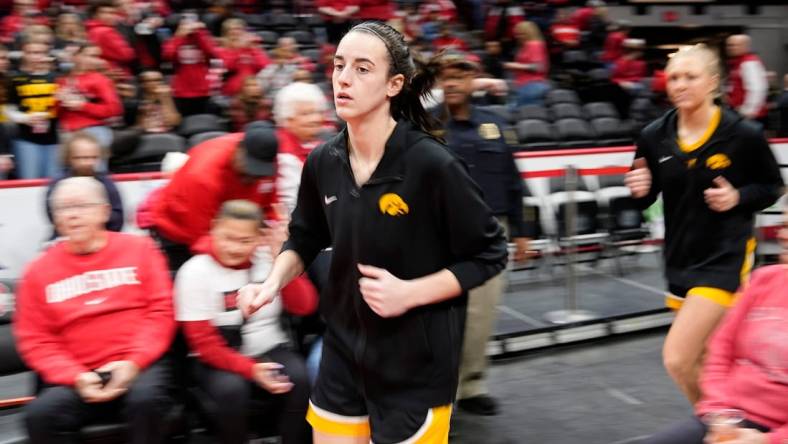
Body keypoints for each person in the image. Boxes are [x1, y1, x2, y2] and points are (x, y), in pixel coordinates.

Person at [238, 21, 508, 444]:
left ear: (393, 84)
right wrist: (272, 281)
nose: (343, 79)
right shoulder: (322, 161)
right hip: (342, 354)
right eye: (339, 65)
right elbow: (304, 237)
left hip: (414, 366)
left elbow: (490, 254)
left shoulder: (432, 166)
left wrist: (411, 293)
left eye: (363, 69)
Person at [624, 44, 784, 404]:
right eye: (674, 77)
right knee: (706, 359)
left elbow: (773, 187)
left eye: (690, 76)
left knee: (677, 358)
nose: (680, 84)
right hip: (680, 259)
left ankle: (718, 425)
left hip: (724, 258)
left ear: (712, 82)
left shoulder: (742, 135)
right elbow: (645, 197)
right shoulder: (653, 136)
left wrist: (737, 198)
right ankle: (734, 425)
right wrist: (640, 190)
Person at [14, 176, 176, 444]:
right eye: (63, 209)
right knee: (40, 415)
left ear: (103, 211)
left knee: (146, 401)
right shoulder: (36, 272)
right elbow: (36, 340)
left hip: (139, 365)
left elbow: (161, 312)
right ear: (55, 219)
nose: (73, 215)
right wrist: (75, 376)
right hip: (78, 376)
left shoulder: (141, 249)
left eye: (81, 205)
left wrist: (133, 363)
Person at [435, 54, 533, 417]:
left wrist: (524, 232)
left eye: (460, 76)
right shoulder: (426, 126)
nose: (452, 83)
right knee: (440, 313)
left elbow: (513, 180)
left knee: (481, 313)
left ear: (474, 79)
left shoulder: (495, 123)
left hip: (491, 230)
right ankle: (439, 387)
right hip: (441, 231)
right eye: (445, 77)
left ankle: (472, 384)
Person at [642, 207, 788, 444]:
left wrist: (766, 441)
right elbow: (721, 351)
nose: (783, 235)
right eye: (784, 226)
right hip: (734, 419)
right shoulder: (764, 280)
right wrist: (720, 414)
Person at [175, 199, 313, 444]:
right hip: (216, 355)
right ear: (214, 228)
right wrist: (250, 370)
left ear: (259, 238)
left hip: (269, 346)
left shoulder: (269, 260)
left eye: (245, 241)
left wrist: (283, 260)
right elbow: (204, 344)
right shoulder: (194, 271)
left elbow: (305, 306)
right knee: (233, 390)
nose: (234, 248)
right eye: (228, 237)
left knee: (301, 379)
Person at [150, 123, 279, 271]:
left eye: (259, 173)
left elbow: (270, 210)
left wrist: (272, 239)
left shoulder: (267, 157)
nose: (253, 177)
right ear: (239, 150)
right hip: (179, 233)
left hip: (236, 233)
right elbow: (200, 238)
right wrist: (247, 259)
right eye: (249, 170)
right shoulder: (202, 176)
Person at [45, 131, 123, 234]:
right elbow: (53, 215)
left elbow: (118, 217)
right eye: (82, 158)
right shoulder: (58, 184)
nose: (88, 163)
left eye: (93, 158)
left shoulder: (106, 182)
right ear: (69, 158)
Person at [6, 39, 59, 179]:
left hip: (54, 139)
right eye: (31, 53)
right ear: (24, 54)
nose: (36, 57)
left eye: (41, 53)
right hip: (25, 139)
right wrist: (26, 118)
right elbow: (8, 109)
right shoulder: (16, 79)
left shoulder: (57, 78)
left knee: (52, 181)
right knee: (29, 180)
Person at [272, 81, 328, 212]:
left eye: (318, 112)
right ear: (287, 119)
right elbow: (289, 204)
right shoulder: (282, 152)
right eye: (306, 114)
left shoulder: (317, 144)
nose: (315, 119)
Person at [55, 42, 122, 149]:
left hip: (93, 130)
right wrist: (58, 101)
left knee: (93, 165)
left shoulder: (100, 79)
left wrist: (82, 106)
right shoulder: (61, 81)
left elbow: (114, 109)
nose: (96, 60)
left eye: (97, 57)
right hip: (66, 132)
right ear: (76, 56)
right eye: (91, 56)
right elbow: (55, 112)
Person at [162, 14, 221, 117]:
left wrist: (200, 33)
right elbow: (167, 56)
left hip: (202, 89)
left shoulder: (201, 37)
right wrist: (179, 36)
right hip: (182, 90)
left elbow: (212, 53)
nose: (189, 27)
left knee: (203, 119)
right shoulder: (174, 40)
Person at [218, 18, 270, 98]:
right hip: (231, 95)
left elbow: (265, 66)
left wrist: (254, 48)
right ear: (225, 34)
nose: (235, 32)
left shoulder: (251, 49)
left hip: (252, 93)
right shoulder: (221, 50)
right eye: (231, 30)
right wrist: (239, 49)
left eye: (238, 29)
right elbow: (228, 67)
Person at [85, 0, 135, 79]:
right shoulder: (106, 31)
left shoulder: (89, 30)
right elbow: (127, 55)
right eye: (106, 13)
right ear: (94, 15)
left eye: (114, 13)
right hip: (117, 74)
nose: (111, 16)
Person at [504, 21, 550, 106]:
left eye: (522, 34)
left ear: (530, 33)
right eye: (517, 34)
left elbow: (539, 67)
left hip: (532, 85)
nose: (518, 37)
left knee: (513, 112)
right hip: (525, 85)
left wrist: (516, 65)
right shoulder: (525, 46)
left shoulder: (534, 45)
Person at [725, 34, 768, 122]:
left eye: (734, 45)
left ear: (745, 46)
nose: (730, 48)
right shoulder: (738, 62)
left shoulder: (749, 63)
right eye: (729, 45)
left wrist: (748, 111)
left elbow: (757, 89)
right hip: (739, 112)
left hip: (747, 115)